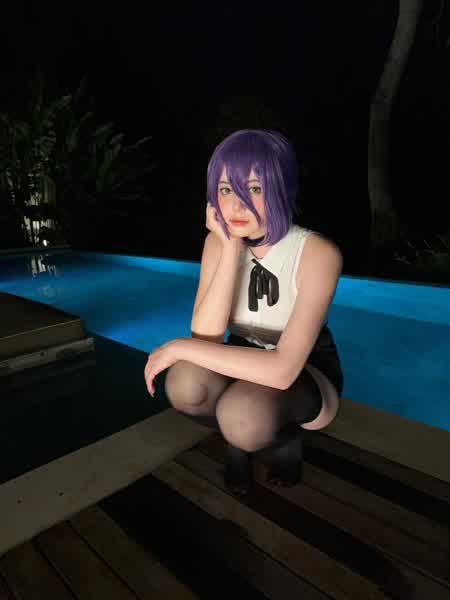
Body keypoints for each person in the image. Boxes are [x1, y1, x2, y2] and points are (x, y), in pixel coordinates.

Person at [146, 129, 344, 496]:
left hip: (303, 371)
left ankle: (283, 442)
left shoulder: (318, 253)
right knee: (185, 383)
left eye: (254, 188)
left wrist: (177, 347)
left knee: (244, 416)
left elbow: (283, 371)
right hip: (243, 354)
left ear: (281, 189)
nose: (236, 206)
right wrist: (229, 249)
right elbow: (206, 335)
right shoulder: (217, 243)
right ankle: (237, 440)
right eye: (225, 189)